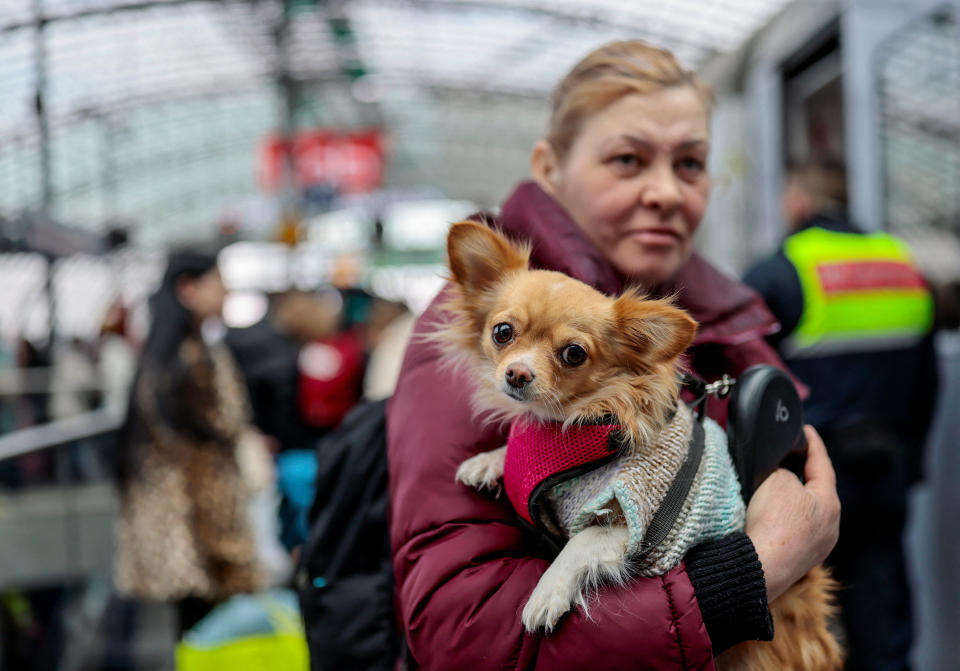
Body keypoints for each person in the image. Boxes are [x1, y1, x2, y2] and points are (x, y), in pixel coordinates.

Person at [387, 40, 841, 668]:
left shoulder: (721, 317)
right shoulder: (486, 330)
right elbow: (460, 631)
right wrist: (749, 572)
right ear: (549, 168)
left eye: (690, 164)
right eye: (628, 160)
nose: (665, 192)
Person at [743, 159, 937, 671]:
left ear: (800, 201)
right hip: (886, 469)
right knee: (884, 621)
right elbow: (926, 379)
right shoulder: (903, 265)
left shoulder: (780, 271)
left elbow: (744, 385)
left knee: (800, 627)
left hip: (807, 481)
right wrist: (914, 460)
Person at [113, 250, 265, 637]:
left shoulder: (164, 356)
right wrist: (227, 550)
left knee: (192, 637)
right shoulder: (193, 361)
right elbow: (203, 461)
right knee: (211, 638)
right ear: (188, 289)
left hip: (176, 528)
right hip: (199, 531)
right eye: (218, 281)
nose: (227, 291)